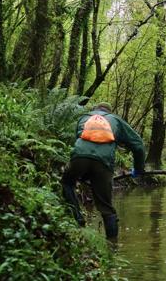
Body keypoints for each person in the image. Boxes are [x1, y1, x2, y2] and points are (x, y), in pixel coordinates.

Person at [61, 102, 145, 240]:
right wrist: (138, 169)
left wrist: (85, 174)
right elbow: (138, 145)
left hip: (79, 158)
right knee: (106, 208)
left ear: (95, 110)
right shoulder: (116, 120)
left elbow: (81, 142)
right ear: (109, 112)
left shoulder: (84, 117)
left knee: (67, 183)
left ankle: (78, 220)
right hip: (104, 163)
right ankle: (113, 247)